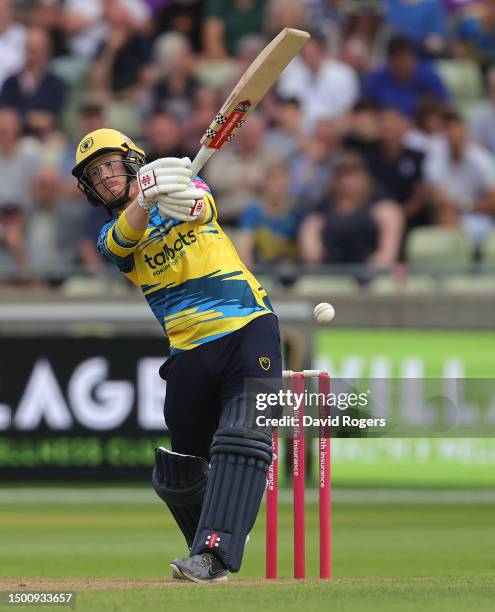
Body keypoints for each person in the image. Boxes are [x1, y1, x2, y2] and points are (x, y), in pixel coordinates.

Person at [72, 128, 281, 583]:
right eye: (94, 172)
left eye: (110, 164)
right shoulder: (111, 236)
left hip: (248, 327)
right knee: (178, 471)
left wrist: (171, 192)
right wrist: (145, 201)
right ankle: (223, 523)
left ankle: (214, 553)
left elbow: (199, 204)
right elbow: (122, 241)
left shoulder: (188, 189)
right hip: (188, 350)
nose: (104, 176)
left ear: (133, 161)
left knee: (242, 434)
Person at [299, 152, 404, 268]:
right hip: (330, 273)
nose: (347, 183)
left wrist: (371, 271)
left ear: (365, 177)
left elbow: (387, 254)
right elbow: (312, 252)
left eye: (354, 176)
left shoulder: (384, 209)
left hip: (370, 276)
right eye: (342, 177)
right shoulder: (321, 212)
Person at [363, 35, 449, 117]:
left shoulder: (429, 77)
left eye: (404, 57)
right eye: (396, 58)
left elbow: (445, 109)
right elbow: (365, 109)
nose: (401, 64)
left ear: (414, 58)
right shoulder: (376, 79)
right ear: (389, 61)